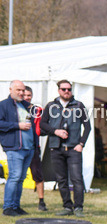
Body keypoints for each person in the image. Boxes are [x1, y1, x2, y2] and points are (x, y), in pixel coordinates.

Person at [40, 80, 92, 216]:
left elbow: (87, 127)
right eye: (64, 89)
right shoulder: (51, 106)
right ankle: (67, 207)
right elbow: (42, 124)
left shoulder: (78, 105)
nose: (67, 91)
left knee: (76, 179)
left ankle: (78, 207)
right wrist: (55, 131)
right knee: (61, 179)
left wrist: (81, 144)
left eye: (69, 89)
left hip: (74, 148)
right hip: (56, 148)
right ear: (59, 90)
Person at [0, 80, 35, 216]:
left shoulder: (26, 105)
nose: (21, 93)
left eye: (23, 90)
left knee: (20, 178)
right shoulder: (3, 105)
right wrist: (17, 125)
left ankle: (15, 206)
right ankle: (8, 207)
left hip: (28, 148)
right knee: (14, 176)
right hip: (15, 147)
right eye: (18, 90)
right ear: (10, 90)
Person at [22, 86, 47, 211]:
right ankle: (14, 202)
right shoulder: (16, 108)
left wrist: (41, 130)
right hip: (19, 147)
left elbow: (44, 127)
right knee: (17, 176)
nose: (27, 97)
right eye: (25, 95)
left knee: (37, 174)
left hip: (33, 147)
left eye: (29, 95)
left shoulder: (37, 110)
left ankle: (41, 201)